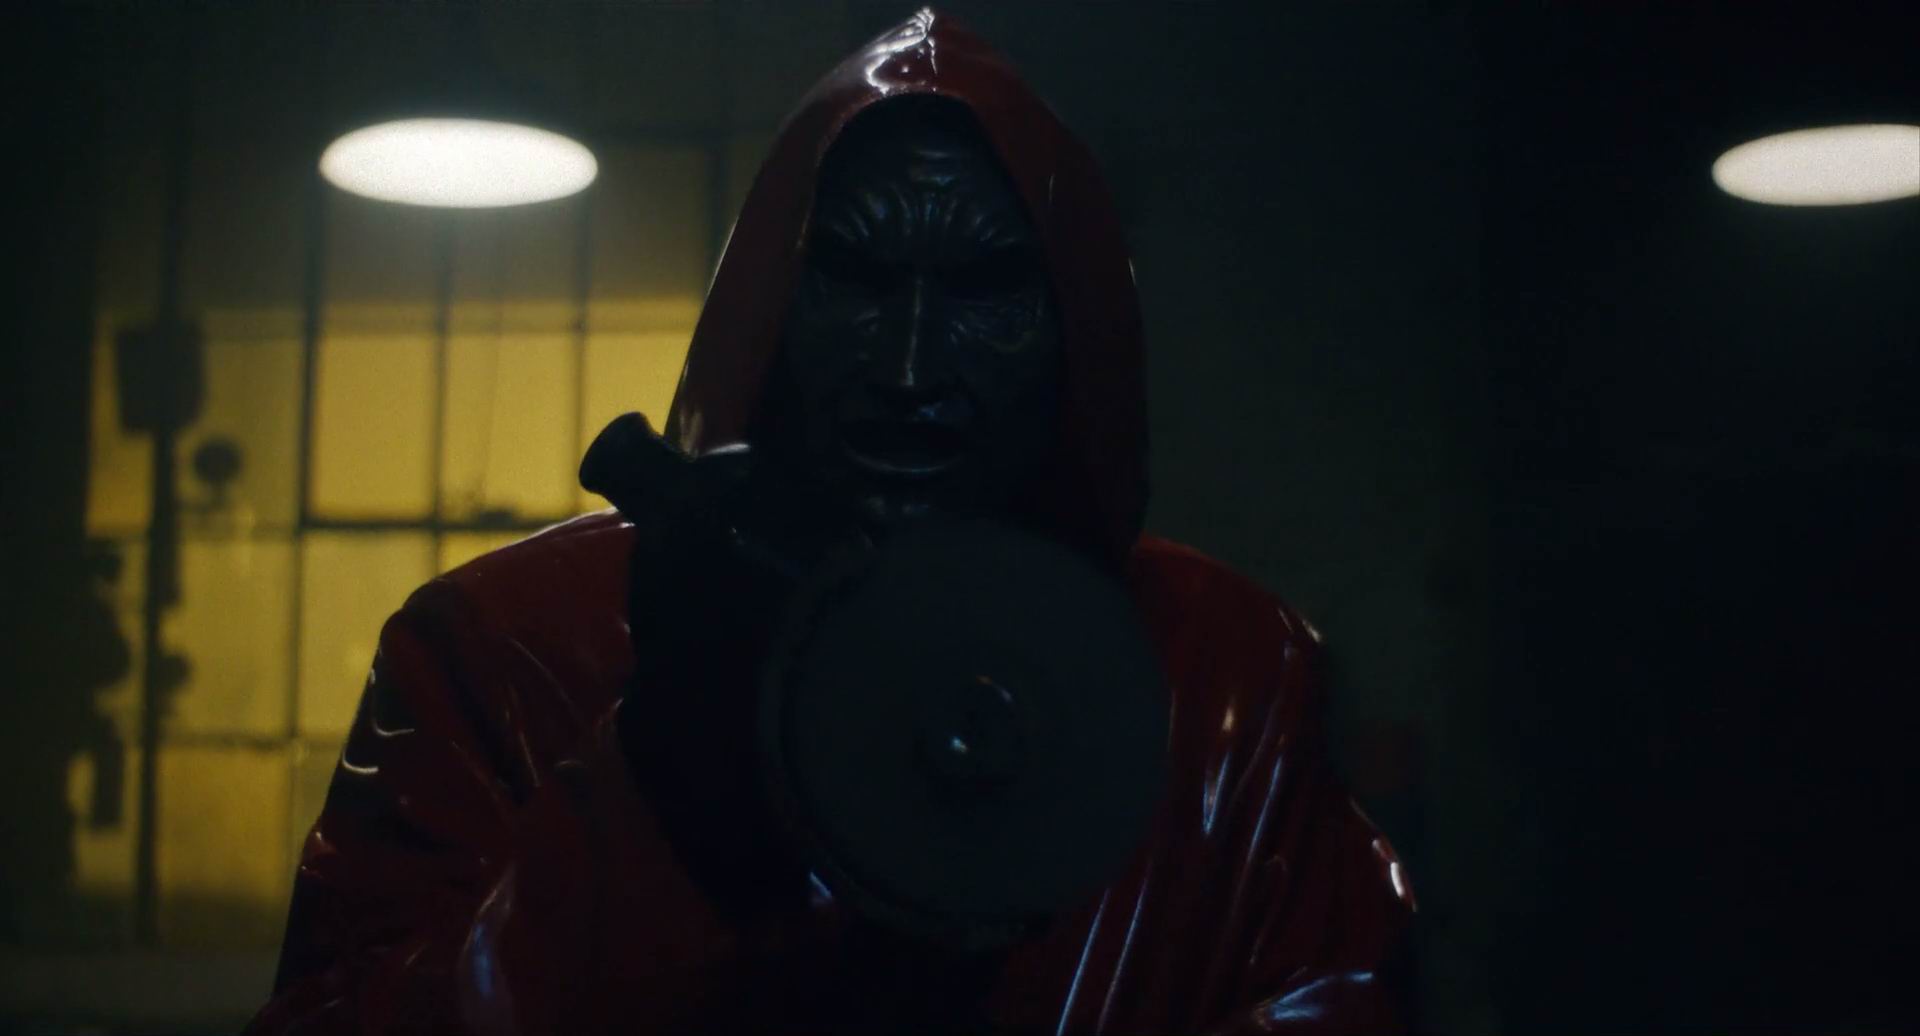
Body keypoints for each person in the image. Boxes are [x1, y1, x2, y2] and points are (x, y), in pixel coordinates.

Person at [249, 9, 1413, 1034]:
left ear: (1078, 330)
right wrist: (659, 777)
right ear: (767, 304)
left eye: (984, 292)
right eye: (853, 280)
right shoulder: (502, 653)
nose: (909, 370)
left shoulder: (1227, 683)